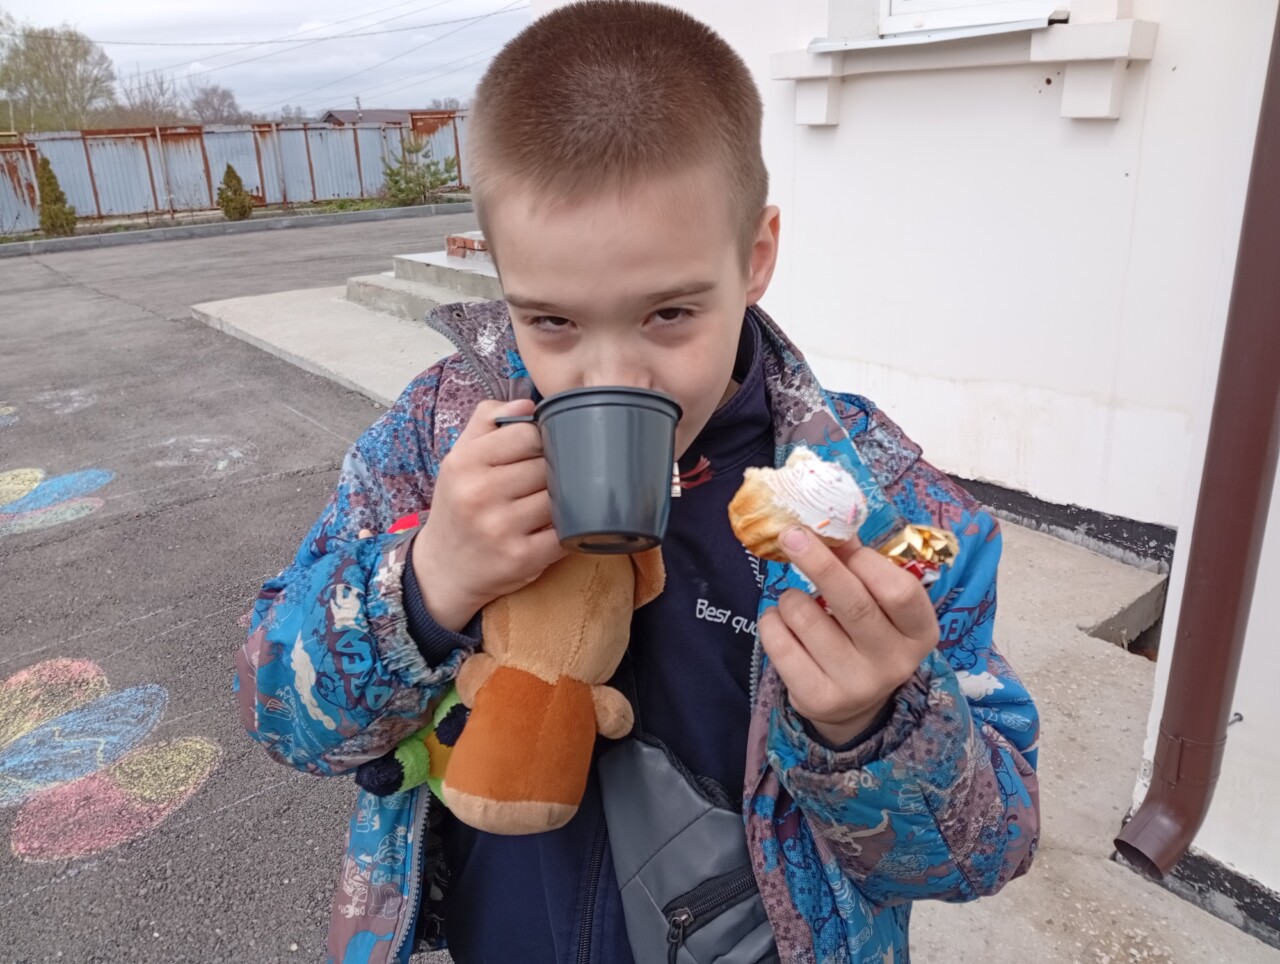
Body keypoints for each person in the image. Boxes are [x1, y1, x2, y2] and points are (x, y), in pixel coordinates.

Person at [234, 3, 1040, 962]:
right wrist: (422, 585)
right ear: (502, 279)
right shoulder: (435, 440)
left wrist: (872, 728)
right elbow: (278, 716)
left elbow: (985, 852)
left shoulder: (886, 506)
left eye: (668, 314)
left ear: (755, 258)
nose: (610, 376)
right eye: (553, 322)